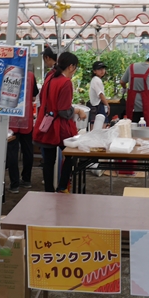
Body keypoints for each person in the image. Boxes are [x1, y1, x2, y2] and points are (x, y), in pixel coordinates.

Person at [33, 52, 86, 193]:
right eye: (75, 68)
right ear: (71, 67)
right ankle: (62, 187)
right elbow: (64, 111)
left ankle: (49, 192)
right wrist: (77, 111)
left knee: (48, 162)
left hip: (46, 125)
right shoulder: (66, 82)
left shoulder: (50, 78)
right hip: (60, 128)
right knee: (72, 154)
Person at [7, 69, 39, 193]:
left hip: (12, 118)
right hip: (26, 118)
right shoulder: (30, 75)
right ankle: (26, 179)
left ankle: (14, 184)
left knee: (12, 152)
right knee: (27, 150)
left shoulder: (7, 74)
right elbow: (34, 96)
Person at [120, 54, 149, 126]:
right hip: (147, 104)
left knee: (131, 126)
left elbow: (122, 82)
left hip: (133, 105)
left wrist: (124, 88)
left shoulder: (131, 67)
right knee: (148, 128)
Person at [88, 61, 110, 128]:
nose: (102, 71)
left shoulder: (95, 79)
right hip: (98, 106)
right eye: (99, 69)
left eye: (103, 69)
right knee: (102, 125)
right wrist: (107, 105)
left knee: (94, 124)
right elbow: (100, 94)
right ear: (94, 71)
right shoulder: (96, 80)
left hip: (95, 106)